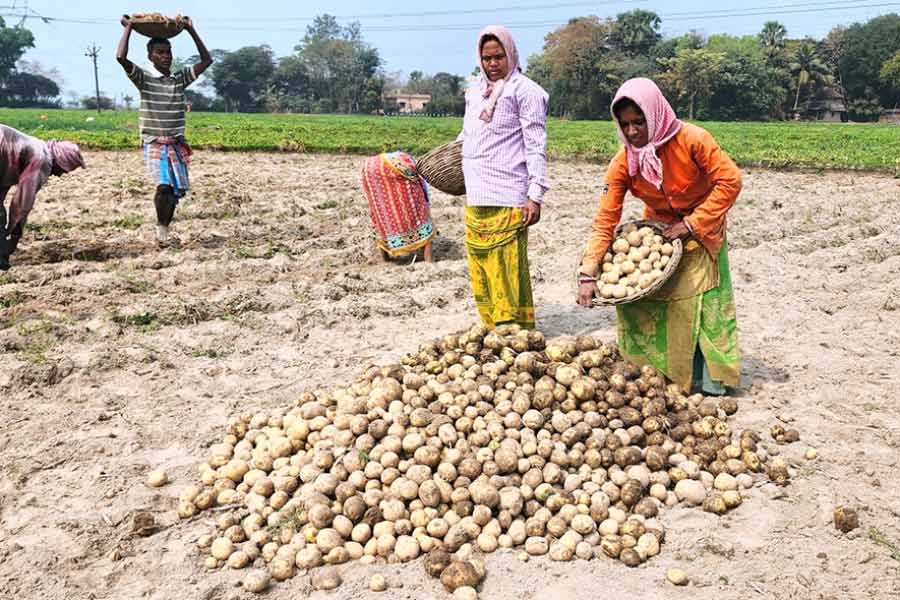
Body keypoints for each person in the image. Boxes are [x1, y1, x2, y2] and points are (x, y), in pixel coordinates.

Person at [576, 78, 742, 395]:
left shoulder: (693, 140)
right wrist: (589, 270)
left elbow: (730, 181)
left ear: (654, 114)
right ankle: (657, 375)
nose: (632, 131)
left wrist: (692, 223)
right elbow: (606, 218)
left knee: (702, 303)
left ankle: (710, 381)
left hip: (703, 226)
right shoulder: (623, 162)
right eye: (625, 124)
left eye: (639, 122)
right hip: (660, 234)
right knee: (647, 302)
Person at [458, 25, 549, 329]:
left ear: (511, 54)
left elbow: (536, 146)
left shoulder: (526, 91)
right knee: (481, 262)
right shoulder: (475, 92)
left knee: (507, 262)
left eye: (499, 57)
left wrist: (535, 195)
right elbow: (467, 134)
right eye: (487, 58)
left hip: (508, 191)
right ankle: (490, 325)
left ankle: (513, 327)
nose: (493, 64)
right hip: (476, 191)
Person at [116, 16, 213, 245]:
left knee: (172, 194)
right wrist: (130, 27)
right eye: (160, 52)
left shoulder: (179, 79)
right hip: (155, 142)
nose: (166, 56)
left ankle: (164, 233)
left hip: (176, 143)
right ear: (150, 56)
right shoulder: (145, 79)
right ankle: (161, 234)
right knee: (163, 186)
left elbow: (207, 60)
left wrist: (191, 30)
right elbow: (121, 57)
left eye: (168, 52)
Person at [0, 125, 84, 270]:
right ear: (60, 161)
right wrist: (14, 235)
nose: (59, 175)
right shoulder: (42, 160)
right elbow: (22, 203)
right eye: (63, 170)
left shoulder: (36, 147)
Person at [361, 151, 435, 263]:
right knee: (420, 213)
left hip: (369, 170)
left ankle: (385, 258)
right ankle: (428, 259)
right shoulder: (408, 164)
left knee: (381, 209)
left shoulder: (373, 164)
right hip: (387, 169)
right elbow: (420, 183)